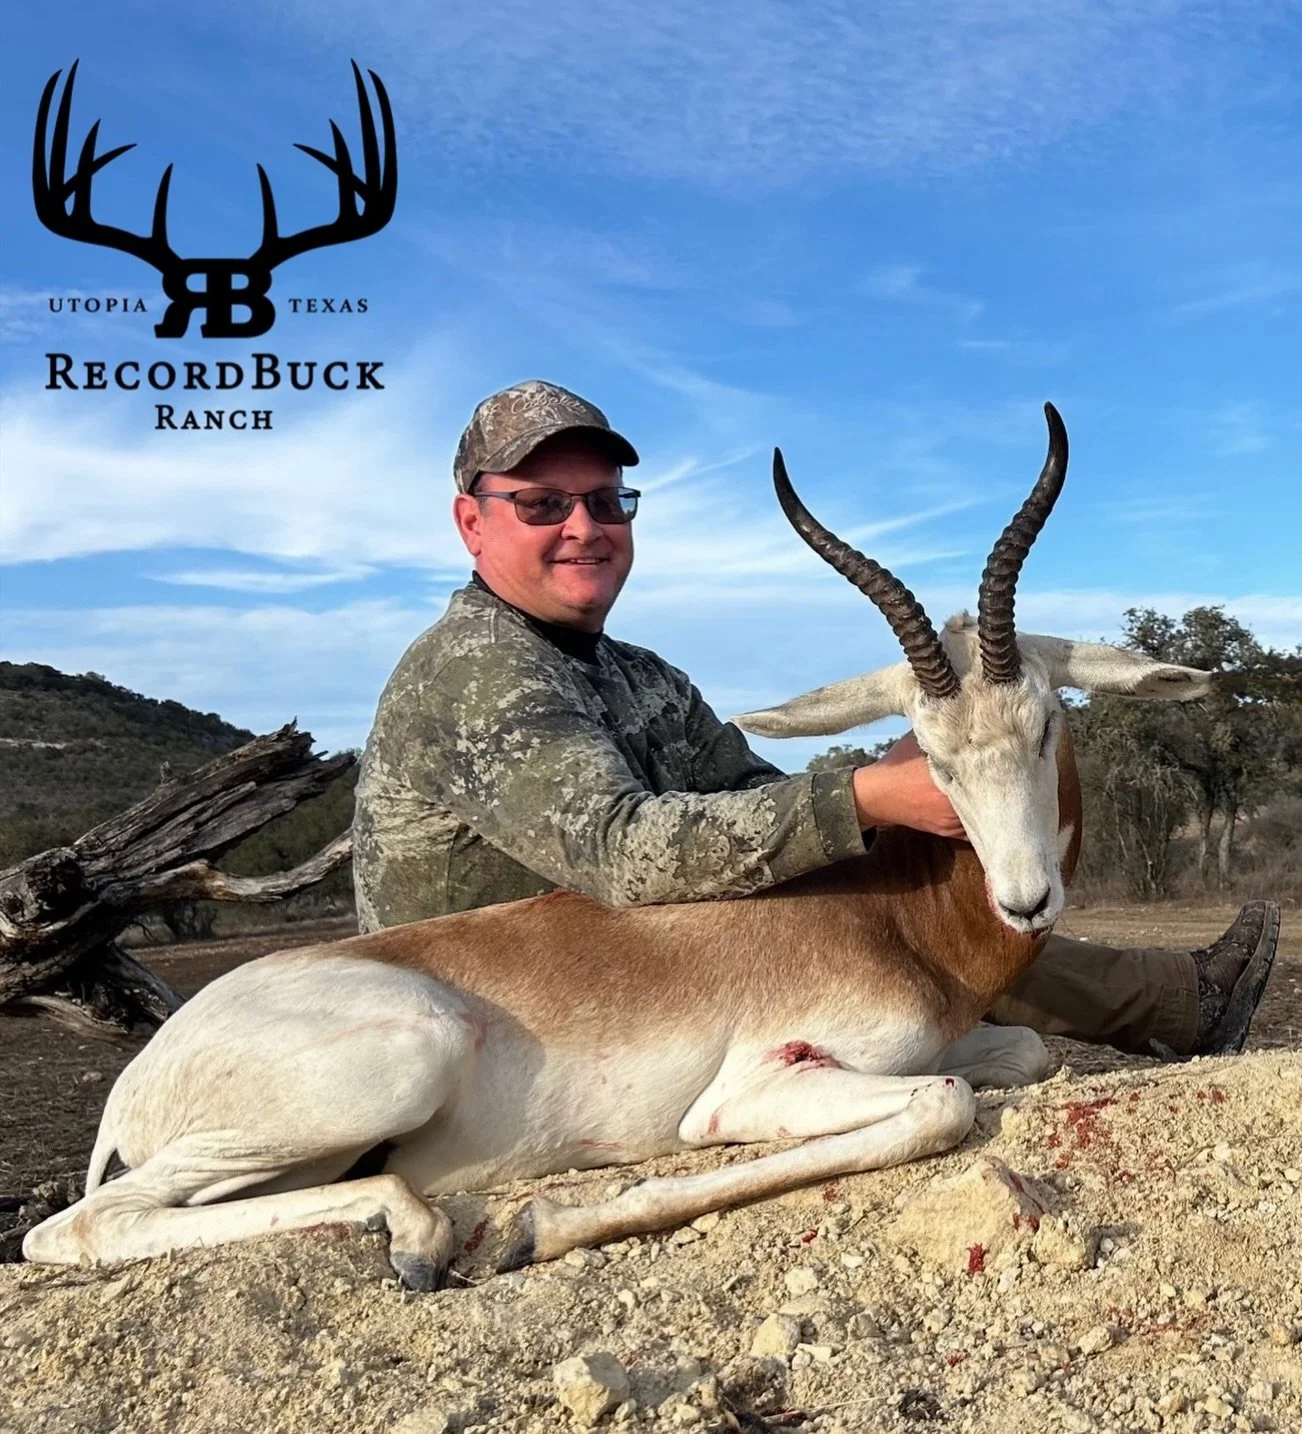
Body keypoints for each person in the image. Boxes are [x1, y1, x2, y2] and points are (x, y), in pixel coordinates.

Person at [353, 379, 1279, 1060]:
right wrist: (868, 796)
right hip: (509, 1009)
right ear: (471, 524)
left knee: (900, 908)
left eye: (606, 500)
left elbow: (752, 801)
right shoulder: (476, 669)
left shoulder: (639, 676)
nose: (586, 526)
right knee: (885, 935)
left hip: (633, 960)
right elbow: (619, 851)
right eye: (543, 504)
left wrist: (944, 759)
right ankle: (1173, 1001)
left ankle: (1178, 1003)